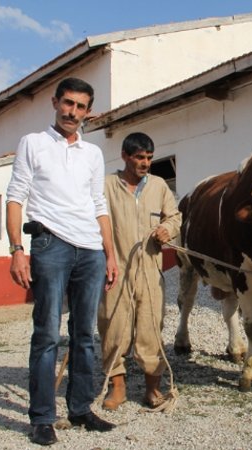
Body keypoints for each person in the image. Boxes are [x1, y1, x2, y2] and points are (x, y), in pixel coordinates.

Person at [6, 77, 119, 445]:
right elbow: (15, 197)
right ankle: (42, 418)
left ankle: (81, 408)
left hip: (90, 251)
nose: (73, 112)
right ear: (55, 102)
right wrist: (16, 250)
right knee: (46, 335)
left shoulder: (93, 153)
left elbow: (98, 205)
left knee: (85, 335)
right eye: (67, 103)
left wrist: (110, 251)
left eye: (81, 106)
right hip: (49, 245)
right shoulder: (33, 144)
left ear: (89, 111)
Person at [98, 132, 181, 411]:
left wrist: (166, 229)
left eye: (149, 157)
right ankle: (117, 387)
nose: (145, 162)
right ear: (124, 156)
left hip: (150, 270)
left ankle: (152, 389)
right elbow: (94, 218)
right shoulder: (106, 185)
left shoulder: (158, 186)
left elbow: (175, 216)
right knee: (113, 327)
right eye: (139, 157)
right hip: (115, 268)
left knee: (151, 328)